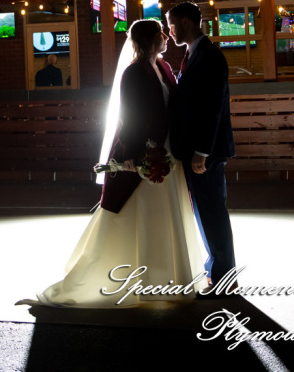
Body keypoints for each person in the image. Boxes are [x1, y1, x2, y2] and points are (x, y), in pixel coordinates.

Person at [21, 19, 206, 307]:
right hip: (147, 150)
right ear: (149, 39)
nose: (167, 36)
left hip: (170, 149)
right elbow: (129, 117)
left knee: (167, 212)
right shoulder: (133, 73)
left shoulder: (165, 67)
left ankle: (168, 278)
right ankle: (128, 277)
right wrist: (132, 154)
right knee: (142, 212)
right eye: (161, 33)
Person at [167, 2, 237, 293]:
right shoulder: (193, 55)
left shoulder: (210, 56)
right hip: (196, 151)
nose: (169, 31)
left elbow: (212, 108)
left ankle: (224, 281)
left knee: (212, 214)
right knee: (205, 214)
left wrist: (202, 151)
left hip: (205, 153)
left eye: (171, 24)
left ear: (184, 22)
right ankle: (214, 272)